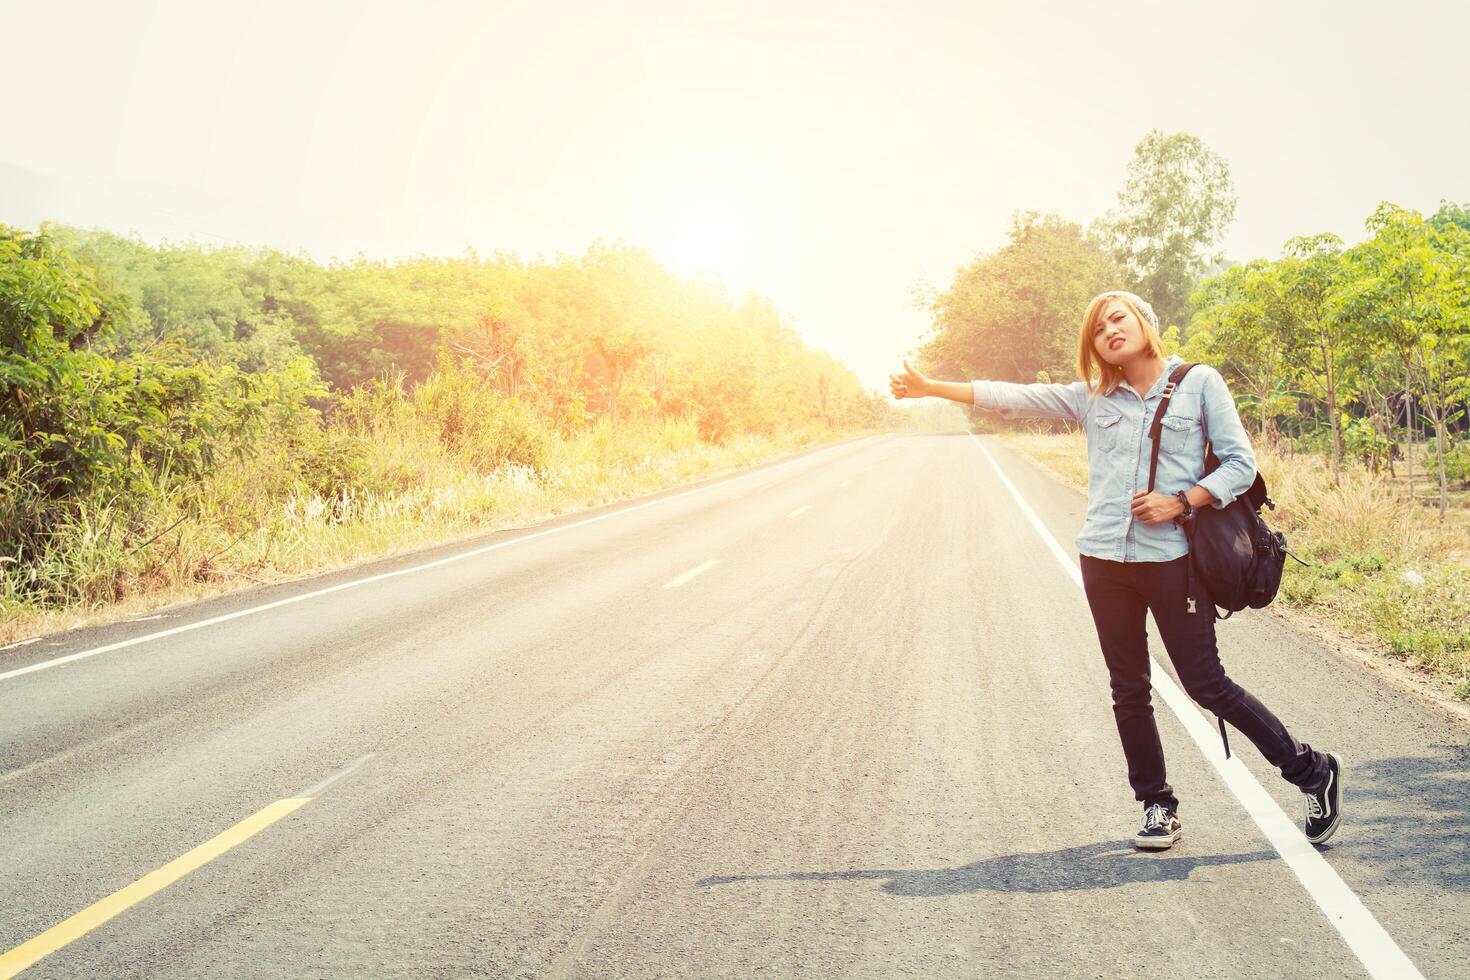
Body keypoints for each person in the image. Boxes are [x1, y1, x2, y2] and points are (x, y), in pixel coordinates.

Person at [890, 290, 1343, 850]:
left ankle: (1311, 771)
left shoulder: (1200, 383)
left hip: (1172, 562)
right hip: (1104, 559)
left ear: (1144, 323)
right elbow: (1017, 396)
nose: (1108, 331)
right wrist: (933, 386)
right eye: (1097, 329)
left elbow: (1241, 465)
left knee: (1206, 684)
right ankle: (1156, 804)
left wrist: (1181, 500)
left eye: (1117, 319)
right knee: (1129, 687)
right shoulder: (1093, 397)